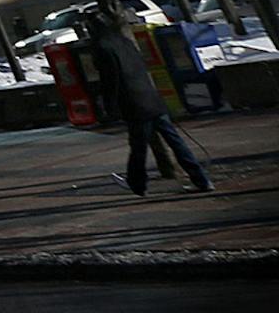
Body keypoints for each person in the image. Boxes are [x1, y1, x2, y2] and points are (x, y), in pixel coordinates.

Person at [82, 16, 215, 195]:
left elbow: (110, 80)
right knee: (175, 141)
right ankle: (200, 179)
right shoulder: (125, 42)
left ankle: (137, 184)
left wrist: (109, 107)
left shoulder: (102, 47)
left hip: (134, 103)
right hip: (152, 98)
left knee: (139, 146)